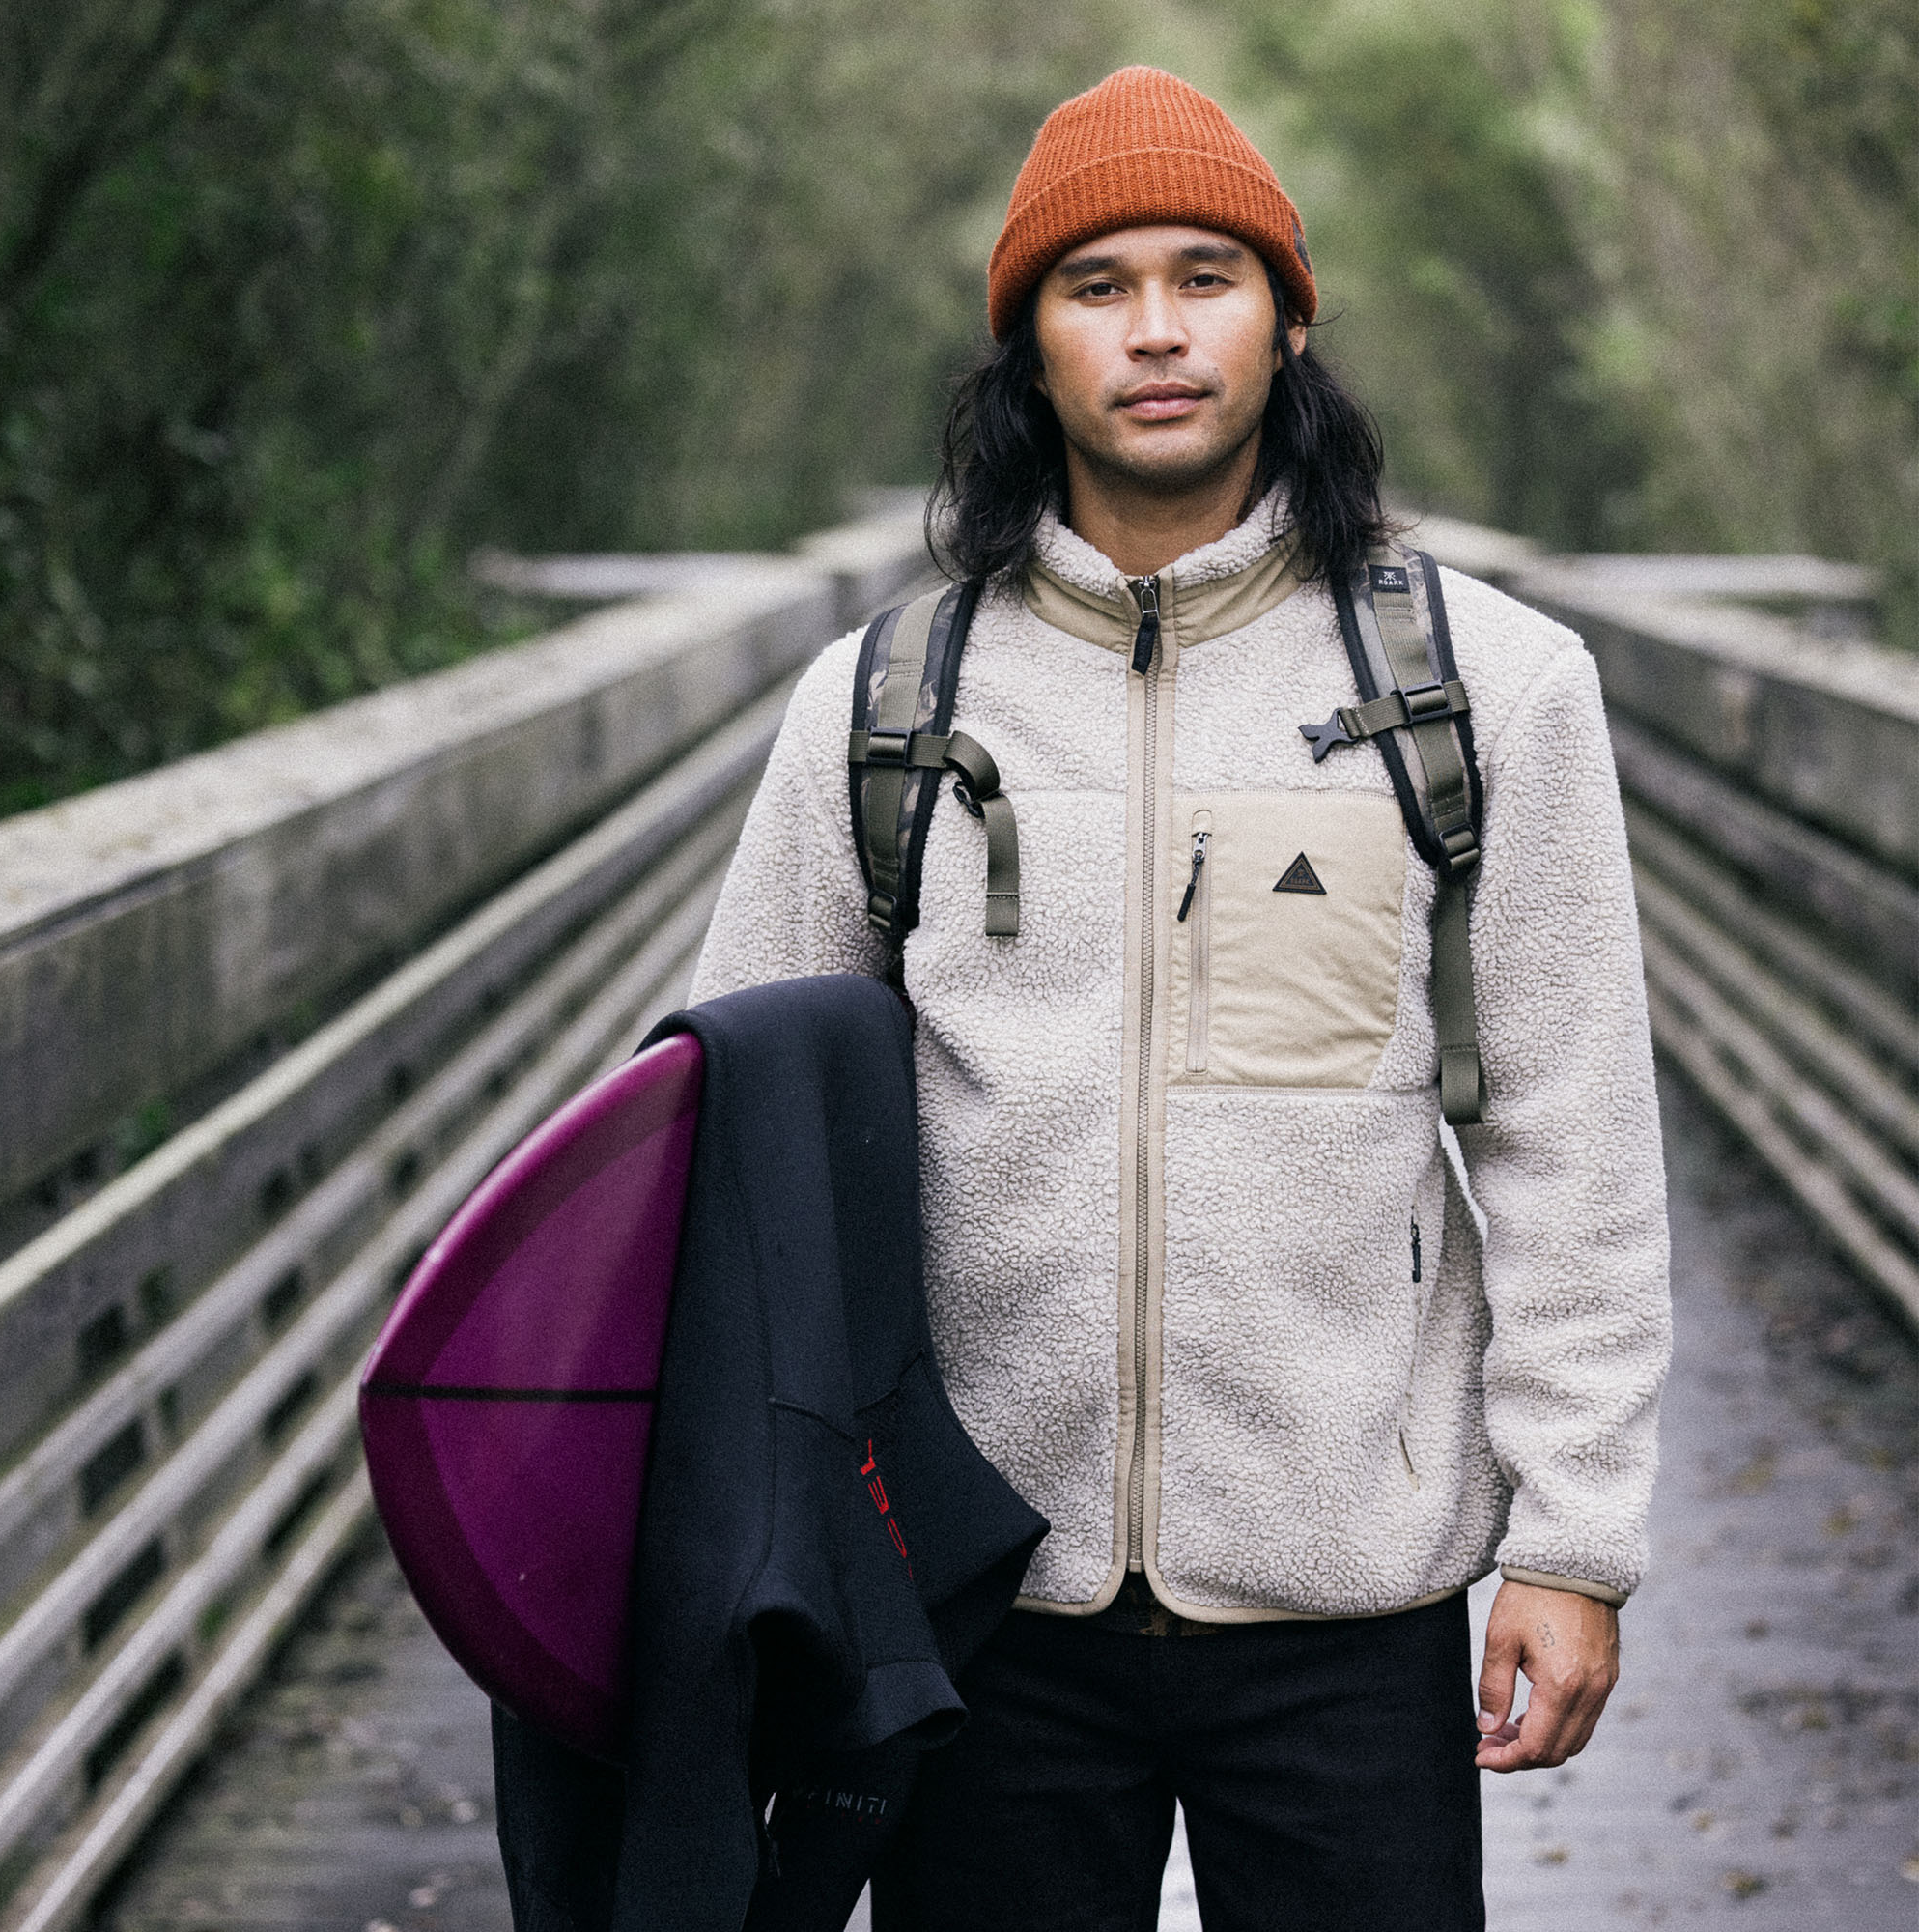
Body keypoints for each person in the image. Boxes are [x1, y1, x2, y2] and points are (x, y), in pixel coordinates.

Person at [691, 64, 1671, 1932]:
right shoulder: (884, 707)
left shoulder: (1492, 693)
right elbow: (741, 1146)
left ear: (1289, 321)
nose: (1155, 330)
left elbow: (1574, 1135)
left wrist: (1575, 1543)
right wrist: (763, 1542)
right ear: (1026, 345)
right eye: (1098, 283)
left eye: (1206, 275)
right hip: (978, 1599)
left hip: (1350, 1598)